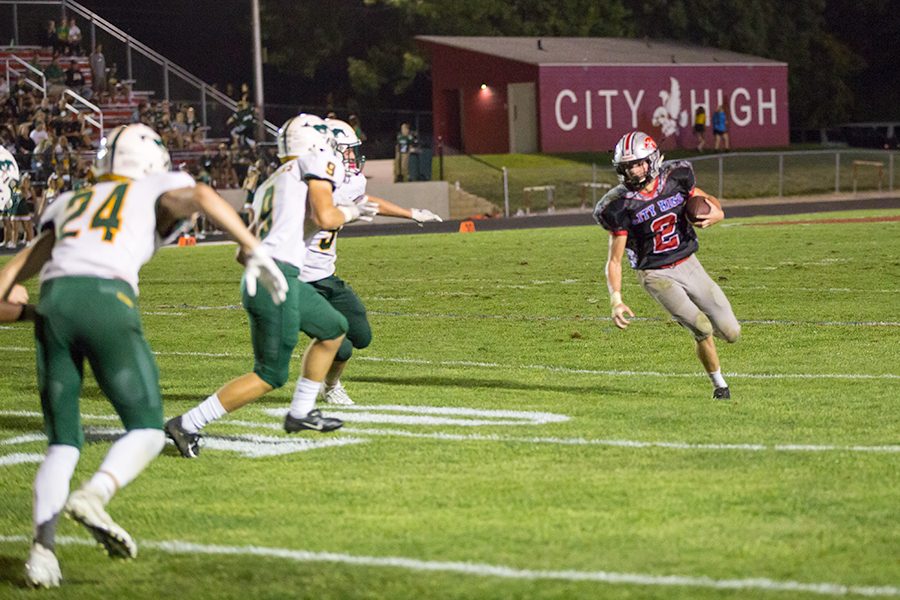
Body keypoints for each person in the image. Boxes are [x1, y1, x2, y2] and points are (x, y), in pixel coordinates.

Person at [0, 123, 288, 588]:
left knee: (62, 443)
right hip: (108, 296)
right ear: (153, 163)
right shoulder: (155, 185)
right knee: (149, 430)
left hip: (55, 304)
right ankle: (95, 494)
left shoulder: (68, 201)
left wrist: (41, 314)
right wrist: (252, 247)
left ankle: (41, 553)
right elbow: (201, 194)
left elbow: (5, 284)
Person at [164, 114, 378, 459]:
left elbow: (242, 252)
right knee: (270, 375)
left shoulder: (271, 182)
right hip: (276, 277)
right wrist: (351, 213)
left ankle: (301, 412)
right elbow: (325, 217)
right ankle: (187, 423)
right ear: (315, 143)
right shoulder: (314, 162)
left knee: (334, 328)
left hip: (269, 274)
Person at [300, 118, 443, 405]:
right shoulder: (306, 184)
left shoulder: (347, 180)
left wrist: (410, 212)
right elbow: (320, 214)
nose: (353, 157)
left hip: (326, 274)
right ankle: (328, 387)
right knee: (341, 346)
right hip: (298, 279)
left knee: (361, 335)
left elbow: (364, 199)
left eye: (353, 150)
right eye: (347, 150)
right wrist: (348, 210)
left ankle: (326, 385)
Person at [594, 131, 740, 400]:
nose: (635, 171)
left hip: (689, 263)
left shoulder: (677, 178)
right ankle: (720, 385)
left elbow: (709, 201)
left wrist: (718, 213)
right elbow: (614, 260)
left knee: (731, 332)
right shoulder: (619, 205)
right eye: (628, 166)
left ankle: (711, 344)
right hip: (656, 273)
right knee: (702, 328)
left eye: (639, 164)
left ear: (652, 160)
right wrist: (616, 299)